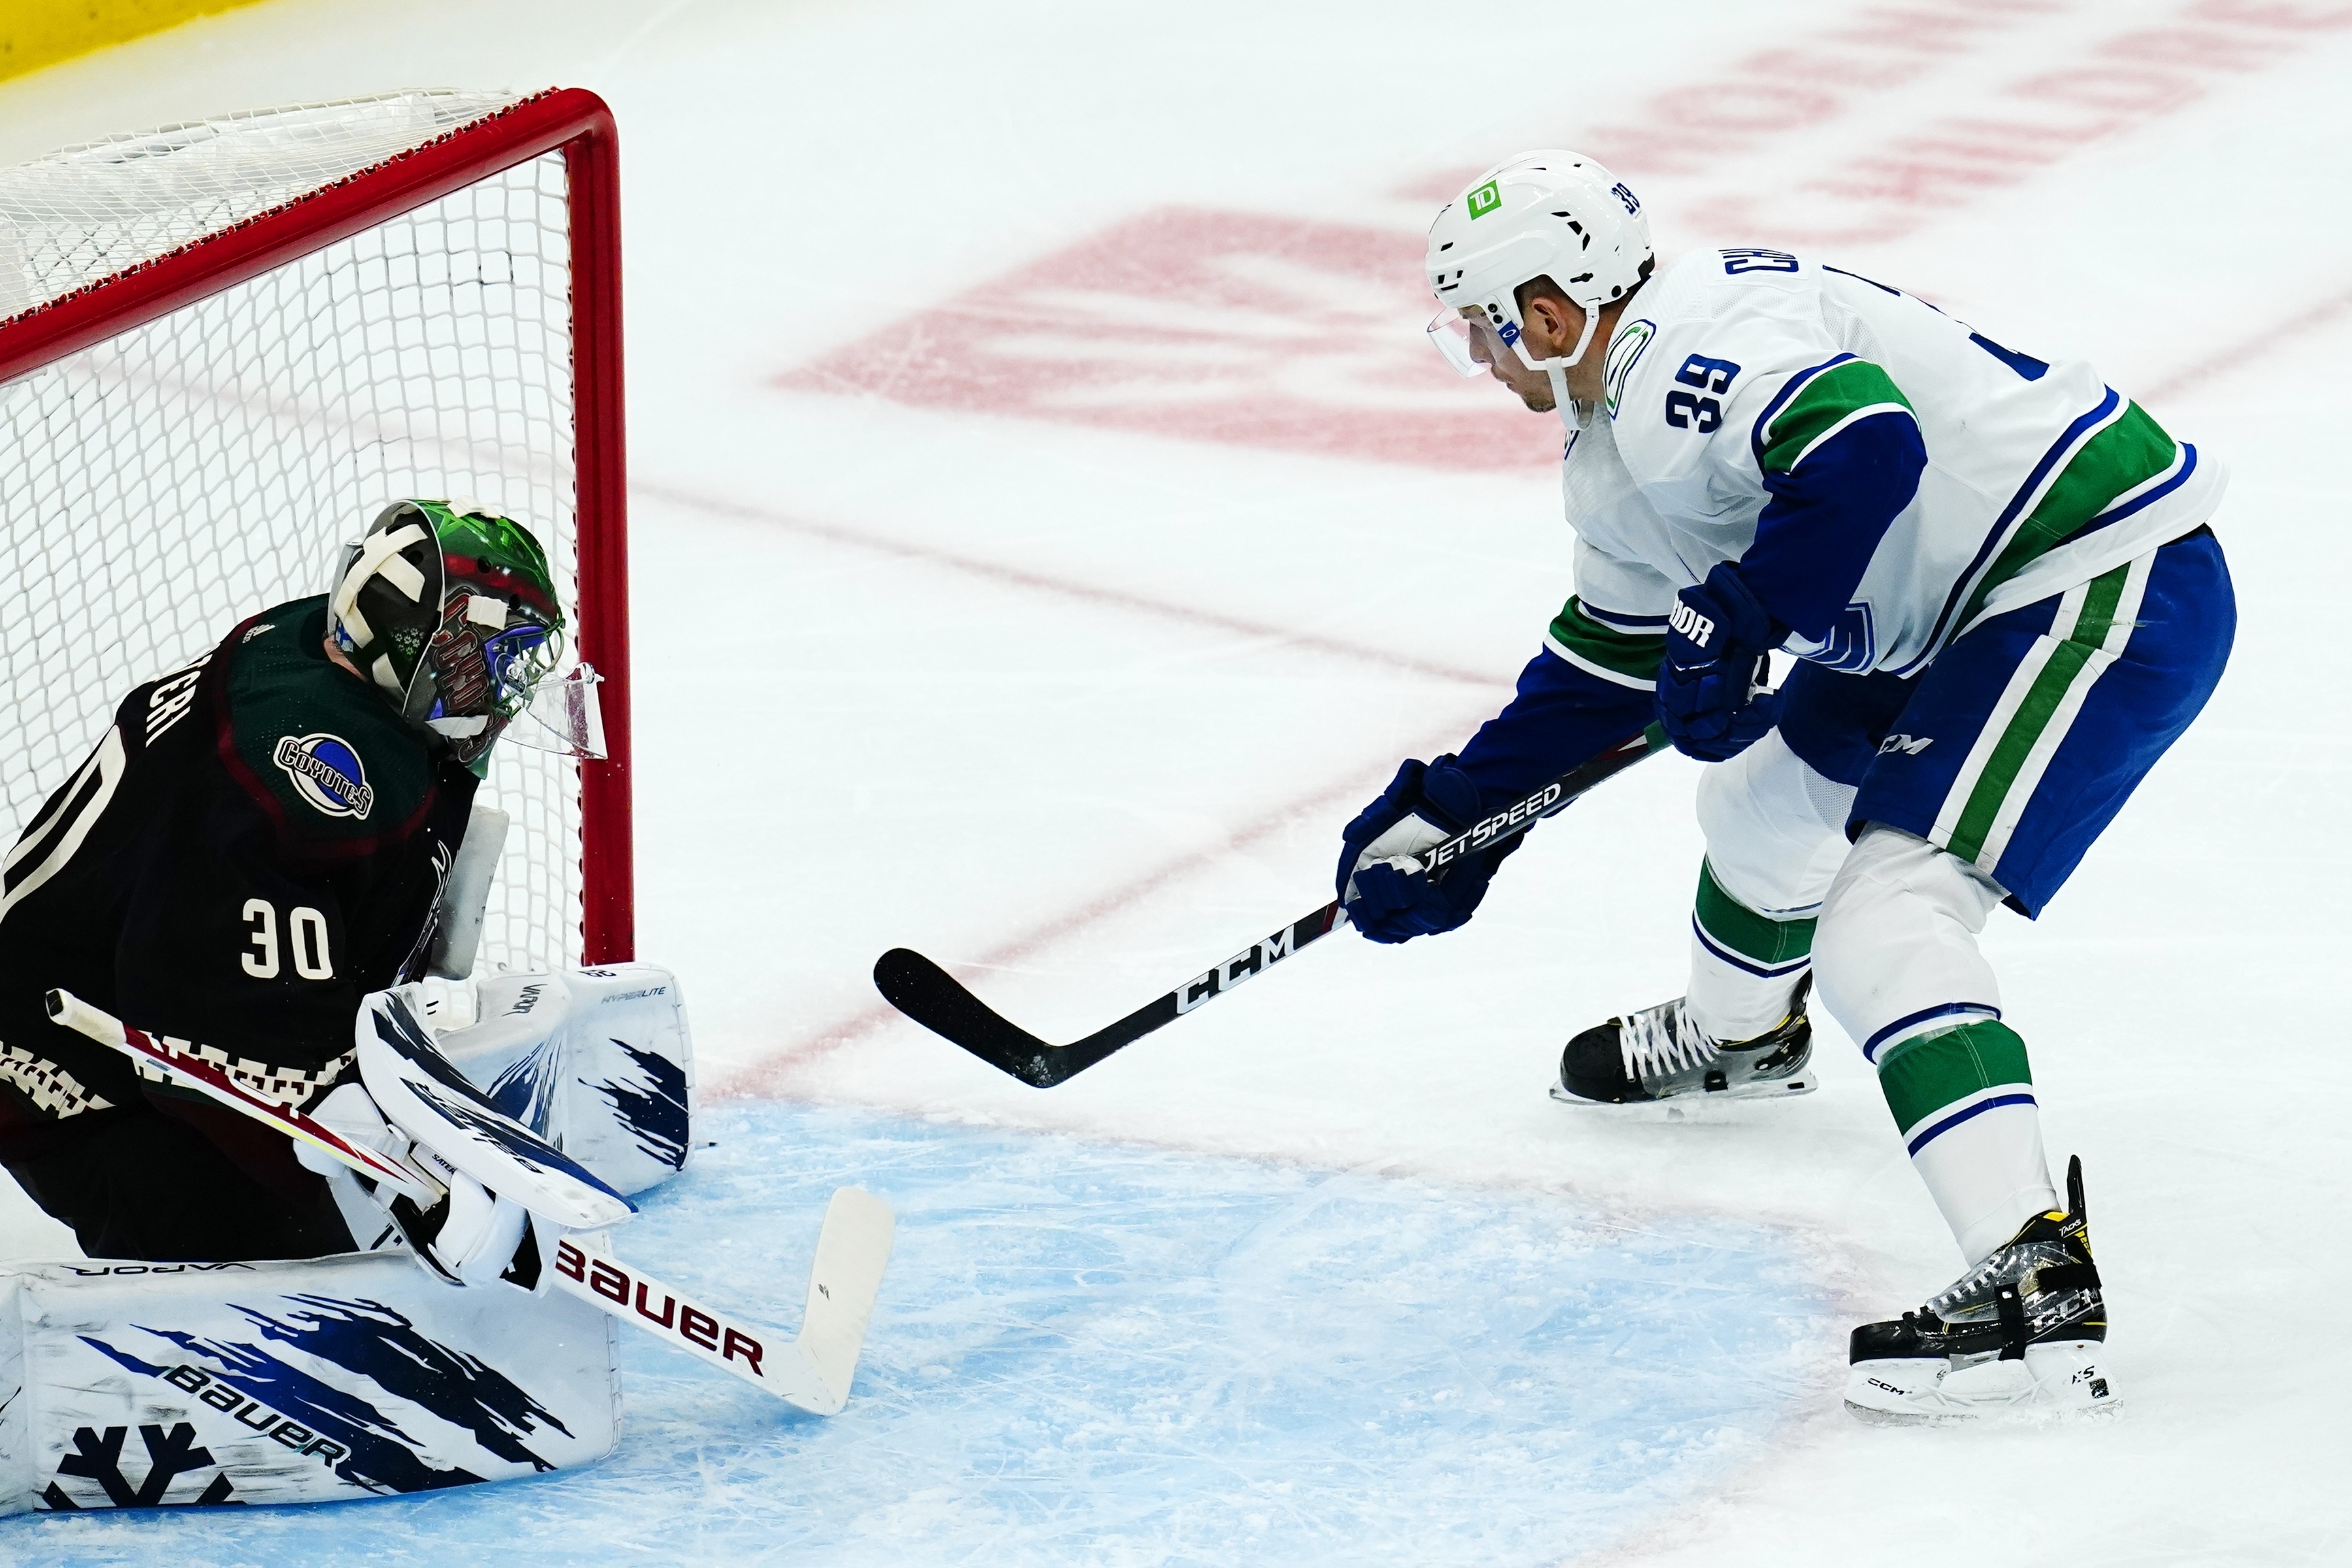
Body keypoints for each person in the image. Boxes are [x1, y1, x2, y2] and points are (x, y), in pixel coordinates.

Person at [1337, 152, 2232, 1420]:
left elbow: (1867, 449)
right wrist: (1457, 819)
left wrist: (1756, 613)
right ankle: (1744, 1036)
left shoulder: (1693, 344)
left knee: (1885, 919)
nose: (1479, 358)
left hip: (2088, 577)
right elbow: (1604, 674)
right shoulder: (1613, 450)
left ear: (1545, 316)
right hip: (1943, 608)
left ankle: (2033, 1276)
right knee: (1760, 805)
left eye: (1480, 329)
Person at [0, 499, 568, 1267]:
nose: (500, 684)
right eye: (483, 652)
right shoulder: (304, 771)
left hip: (148, 988)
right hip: (64, 1051)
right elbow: (211, 1021)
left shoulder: (334, 665)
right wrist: (395, 1161)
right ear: (406, 635)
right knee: (291, 1260)